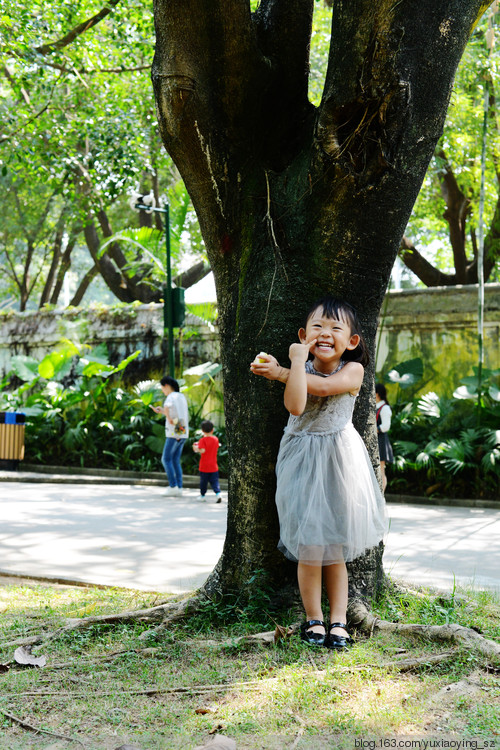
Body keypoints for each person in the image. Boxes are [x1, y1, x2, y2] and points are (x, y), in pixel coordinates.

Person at [250, 296, 387, 650]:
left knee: (335, 549)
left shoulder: (353, 370)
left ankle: (339, 620)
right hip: (300, 457)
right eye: (317, 327)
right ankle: (313, 617)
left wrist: (282, 371)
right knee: (310, 547)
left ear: (352, 341)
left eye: (335, 328)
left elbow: (325, 389)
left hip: (339, 461)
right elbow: (296, 404)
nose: (325, 333)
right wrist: (295, 364)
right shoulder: (301, 367)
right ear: (303, 334)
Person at [151, 375, 189, 496]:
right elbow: (174, 412)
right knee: (175, 460)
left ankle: (173, 486)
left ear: (166, 386)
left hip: (173, 431)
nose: (163, 391)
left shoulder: (171, 396)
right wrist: (163, 412)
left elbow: (168, 407)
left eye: (162, 388)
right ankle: (179, 487)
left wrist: (168, 417)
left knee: (166, 459)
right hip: (182, 429)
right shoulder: (181, 396)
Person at [193, 420, 222, 503]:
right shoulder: (216, 439)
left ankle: (202, 496)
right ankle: (218, 494)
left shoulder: (202, 440)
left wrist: (196, 448)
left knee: (203, 482)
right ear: (212, 430)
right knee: (215, 481)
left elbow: (202, 450)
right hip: (214, 466)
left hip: (204, 466)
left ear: (202, 430)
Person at [375, 383, 394, 492]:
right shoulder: (376, 407)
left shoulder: (385, 408)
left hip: (381, 440)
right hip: (376, 439)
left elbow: (386, 426)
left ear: (377, 394)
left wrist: (373, 430)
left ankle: (381, 496)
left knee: (381, 469)